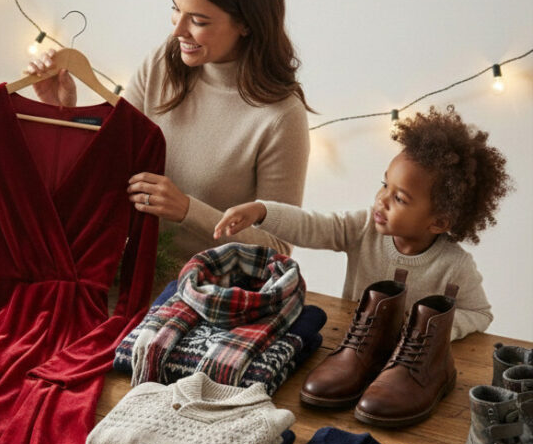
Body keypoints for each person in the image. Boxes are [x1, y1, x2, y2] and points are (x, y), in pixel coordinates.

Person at [27, 0, 310, 265]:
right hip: (122, 273)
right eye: (176, 9)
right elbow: (107, 167)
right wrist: (64, 111)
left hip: (208, 295)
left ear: (246, 23)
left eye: (199, 21)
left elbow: (277, 247)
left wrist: (188, 210)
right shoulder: (164, 61)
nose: (178, 31)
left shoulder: (281, 117)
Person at [214, 106, 512, 340]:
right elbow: (312, 226)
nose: (381, 200)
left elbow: (479, 313)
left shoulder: (455, 266)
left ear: (438, 222)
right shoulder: (363, 228)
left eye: (400, 199)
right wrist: (262, 211)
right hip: (352, 345)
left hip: (409, 361)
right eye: (384, 185)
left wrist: (429, 328)